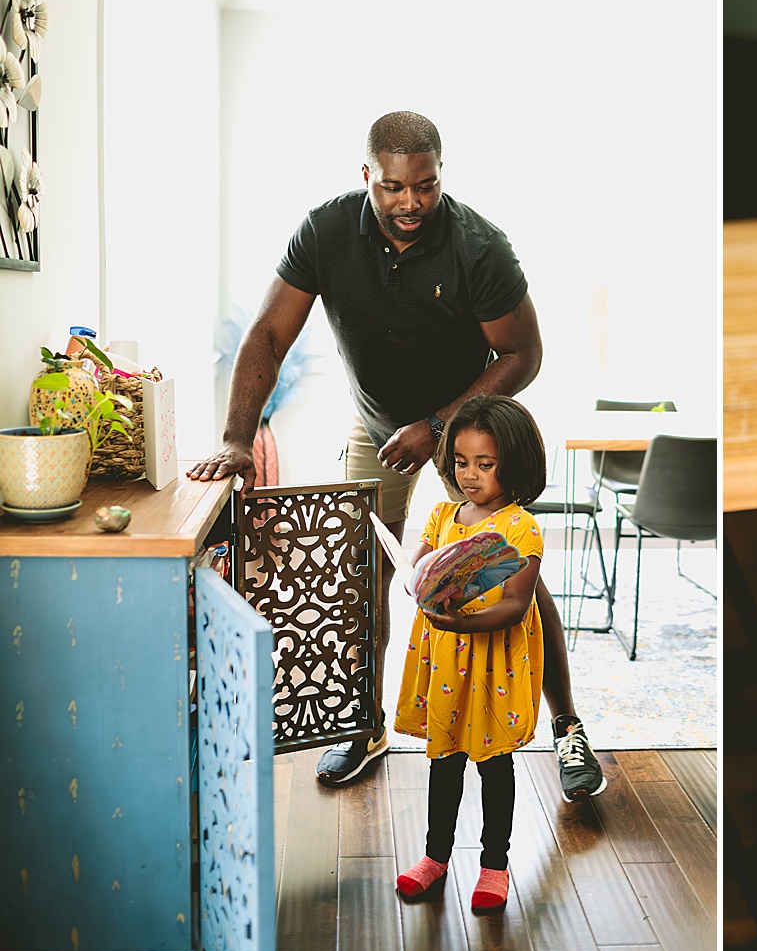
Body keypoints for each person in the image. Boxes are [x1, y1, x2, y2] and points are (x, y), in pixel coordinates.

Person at [186, 111, 605, 800]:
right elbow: (266, 335)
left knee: (509, 566)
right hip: (378, 428)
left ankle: (567, 728)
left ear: (440, 176)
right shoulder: (324, 232)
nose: (409, 202)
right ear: (366, 177)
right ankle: (363, 725)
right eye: (392, 187)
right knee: (362, 574)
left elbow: (524, 353)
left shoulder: (478, 246)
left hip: (466, 428)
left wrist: (439, 428)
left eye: (425, 186)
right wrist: (236, 437)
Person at [391, 395, 547, 912]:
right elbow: (419, 572)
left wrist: (463, 621)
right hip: (445, 663)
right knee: (444, 763)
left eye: (486, 463)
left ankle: (495, 863)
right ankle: (436, 856)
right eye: (461, 462)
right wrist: (417, 582)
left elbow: (517, 605)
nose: (470, 475)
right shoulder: (442, 514)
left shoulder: (521, 527)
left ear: (514, 463)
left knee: (495, 768)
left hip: (492, 662)